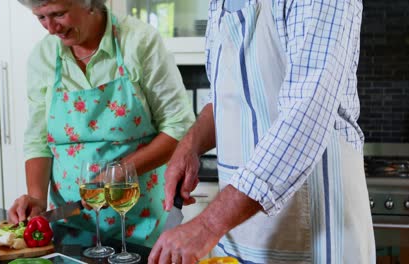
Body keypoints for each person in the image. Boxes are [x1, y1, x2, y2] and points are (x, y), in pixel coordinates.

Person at [149, 0, 376, 263]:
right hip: (237, 229)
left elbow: (305, 116)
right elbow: (223, 97)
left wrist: (207, 225)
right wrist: (190, 146)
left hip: (315, 231)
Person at [7, 0, 195, 248]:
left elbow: (179, 127)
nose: (51, 28)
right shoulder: (43, 56)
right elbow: (38, 140)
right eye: (41, 17)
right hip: (71, 223)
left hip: (143, 223)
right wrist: (36, 197)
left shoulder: (138, 41)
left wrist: (120, 171)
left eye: (58, 14)